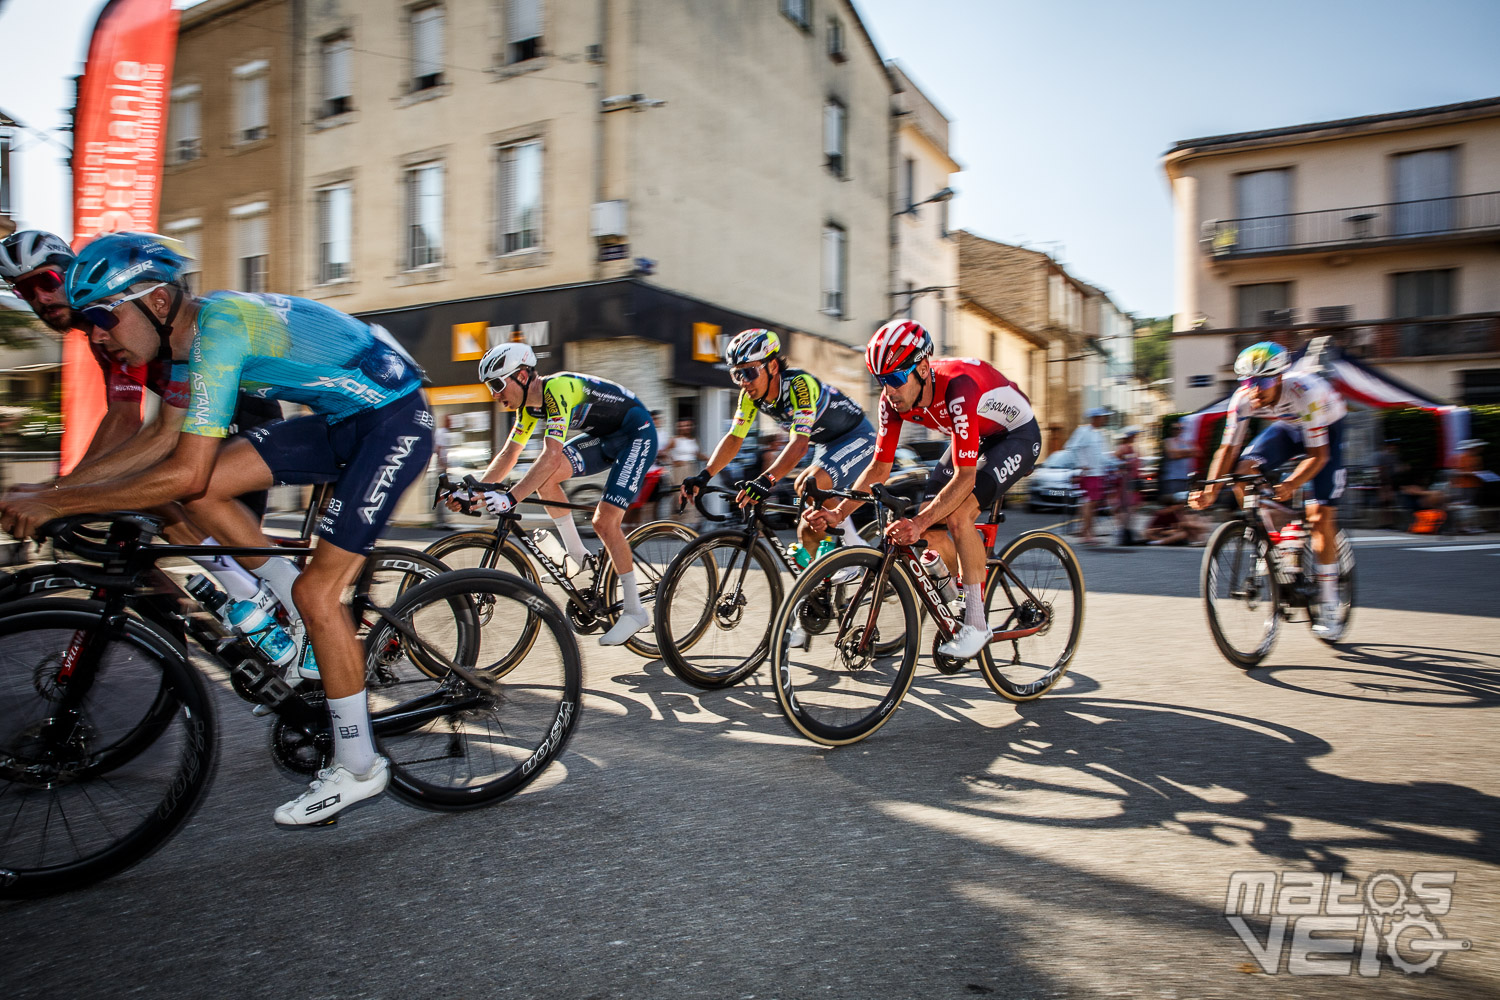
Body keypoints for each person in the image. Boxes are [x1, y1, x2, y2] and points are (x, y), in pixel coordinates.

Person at [0, 231, 433, 827]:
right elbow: (158, 441)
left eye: (104, 317)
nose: (95, 334)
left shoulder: (218, 332)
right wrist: (55, 493)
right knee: (200, 492)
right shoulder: (185, 341)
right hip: (338, 418)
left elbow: (180, 467)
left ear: (154, 302)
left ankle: (359, 765)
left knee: (314, 589)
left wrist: (59, 501)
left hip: (393, 419)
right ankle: (283, 610)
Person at [0, 229, 281, 601]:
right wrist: (62, 489)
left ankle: (250, 591)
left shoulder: (117, 318)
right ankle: (174, 609)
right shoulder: (98, 334)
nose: (39, 298)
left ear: (71, 271)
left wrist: (58, 493)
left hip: (239, 408)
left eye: (45, 280)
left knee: (175, 495)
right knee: (135, 512)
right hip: (188, 413)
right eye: (23, 291)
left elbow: (125, 422)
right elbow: (122, 414)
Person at [804, 320, 1042, 660]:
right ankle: (956, 593)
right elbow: (879, 467)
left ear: (923, 368)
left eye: (896, 379)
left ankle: (976, 623)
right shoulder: (893, 402)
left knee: (958, 513)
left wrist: (918, 522)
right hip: (976, 436)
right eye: (881, 381)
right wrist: (838, 513)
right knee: (929, 524)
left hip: (1015, 435)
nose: (889, 391)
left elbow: (965, 479)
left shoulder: (958, 388)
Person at [462, 344, 657, 646]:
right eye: (490, 387)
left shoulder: (558, 388)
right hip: (604, 438)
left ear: (524, 376)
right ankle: (579, 556)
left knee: (605, 522)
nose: (495, 394)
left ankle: (634, 611)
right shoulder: (528, 407)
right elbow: (509, 454)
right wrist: (474, 491)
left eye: (498, 384)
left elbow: (551, 454)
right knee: (546, 480)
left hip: (637, 434)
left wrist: (511, 498)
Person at [1189, 341, 1349, 637]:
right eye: (1248, 381)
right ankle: (1269, 541)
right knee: (1242, 473)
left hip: (1327, 428)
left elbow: (1318, 455)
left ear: (1278, 377)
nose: (1255, 389)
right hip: (1289, 428)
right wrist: (1210, 491)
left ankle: (1328, 602)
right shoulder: (1243, 399)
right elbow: (1226, 449)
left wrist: (1290, 484)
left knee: (1319, 516)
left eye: (1262, 381)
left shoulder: (1304, 392)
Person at [679, 328, 876, 564]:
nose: (744, 382)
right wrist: (704, 475)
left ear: (772, 366)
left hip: (857, 436)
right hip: (826, 443)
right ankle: (821, 589)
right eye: (737, 374)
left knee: (807, 484)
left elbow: (800, 444)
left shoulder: (799, 385)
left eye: (750, 372)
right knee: (807, 532)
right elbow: (734, 438)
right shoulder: (751, 397)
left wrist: (765, 480)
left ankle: (856, 551)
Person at [1065, 407, 1111, 545]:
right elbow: (1071, 447)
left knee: (1092, 503)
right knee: (1089, 503)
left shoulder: (1098, 434)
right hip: (1089, 474)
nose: (1104, 419)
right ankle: (1087, 533)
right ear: (1095, 418)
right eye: (1102, 417)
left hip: (1098, 473)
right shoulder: (1083, 431)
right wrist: (1081, 464)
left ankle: (1086, 530)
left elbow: (1102, 455)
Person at [1114, 427, 1142, 545]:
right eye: (1133, 435)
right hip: (1126, 481)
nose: (1135, 437)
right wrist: (1124, 465)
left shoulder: (1131, 448)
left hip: (1132, 480)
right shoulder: (1123, 449)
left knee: (1131, 508)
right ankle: (1124, 532)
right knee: (1127, 508)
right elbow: (1116, 464)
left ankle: (1127, 531)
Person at [1160, 419, 1195, 500]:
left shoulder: (1185, 441)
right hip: (1172, 478)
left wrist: (1179, 452)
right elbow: (1172, 455)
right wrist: (1187, 453)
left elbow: (1196, 452)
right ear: (1171, 430)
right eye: (1175, 428)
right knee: (1174, 501)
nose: (1178, 430)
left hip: (1184, 477)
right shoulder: (1167, 441)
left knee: (1183, 502)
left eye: (1180, 428)